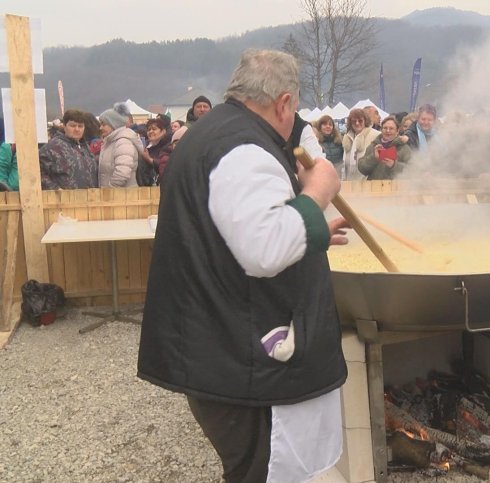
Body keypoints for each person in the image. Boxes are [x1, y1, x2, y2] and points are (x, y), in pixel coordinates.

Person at [137, 49, 350, 483]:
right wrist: (318, 195)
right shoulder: (244, 149)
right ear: (284, 102)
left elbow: (229, 233)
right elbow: (264, 248)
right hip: (242, 358)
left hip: (217, 341)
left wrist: (313, 232)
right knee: (261, 470)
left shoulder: (214, 132)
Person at [39, 108, 99, 190]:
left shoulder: (86, 148)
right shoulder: (52, 147)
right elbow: (39, 172)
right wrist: (55, 189)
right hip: (64, 200)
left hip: (89, 199)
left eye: (80, 126)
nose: (77, 129)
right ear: (64, 126)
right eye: (73, 125)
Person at [97, 102, 140, 188]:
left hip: (122, 197)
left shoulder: (123, 142)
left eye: (103, 124)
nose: (100, 128)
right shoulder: (111, 142)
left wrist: (109, 190)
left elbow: (122, 173)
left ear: (113, 124)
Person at [358, 116, 412, 180]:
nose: (388, 131)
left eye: (391, 128)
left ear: (397, 131)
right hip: (373, 188)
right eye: (385, 128)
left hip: (396, 188)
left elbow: (411, 171)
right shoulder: (373, 146)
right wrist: (374, 157)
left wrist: (394, 165)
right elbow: (362, 169)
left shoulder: (404, 148)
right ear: (381, 129)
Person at [341, 108, 379, 181]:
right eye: (354, 121)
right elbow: (344, 165)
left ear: (365, 121)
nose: (357, 123)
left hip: (368, 183)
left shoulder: (375, 135)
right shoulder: (347, 138)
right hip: (349, 183)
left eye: (360, 120)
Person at [143, 117, 172, 183]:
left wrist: (149, 159)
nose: (150, 131)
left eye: (154, 129)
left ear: (163, 131)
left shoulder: (168, 146)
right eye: (149, 129)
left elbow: (167, 166)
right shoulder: (144, 145)